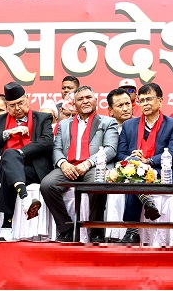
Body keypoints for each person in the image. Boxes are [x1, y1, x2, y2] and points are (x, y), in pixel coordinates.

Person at [41, 86, 118, 242]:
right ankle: (66, 229)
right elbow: (56, 149)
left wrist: (88, 163)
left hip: (94, 166)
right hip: (69, 166)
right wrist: (63, 164)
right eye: (80, 99)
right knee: (47, 185)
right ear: (74, 104)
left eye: (88, 97)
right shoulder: (64, 124)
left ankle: (96, 231)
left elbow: (110, 149)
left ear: (96, 100)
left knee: (98, 184)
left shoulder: (108, 122)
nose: (85, 101)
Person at [0, 82, 54, 233]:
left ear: (27, 99)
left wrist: (19, 153)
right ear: (7, 105)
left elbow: (47, 142)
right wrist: (8, 133)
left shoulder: (42, 118)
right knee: (9, 163)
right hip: (1, 170)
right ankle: (25, 200)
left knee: (10, 159)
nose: (17, 108)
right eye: (12, 105)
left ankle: (6, 226)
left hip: (32, 169)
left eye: (20, 103)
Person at [116, 83, 173, 243]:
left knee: (135, 172)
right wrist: (134, 158)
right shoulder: (128, 125)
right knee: (134, 167)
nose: (145, 103)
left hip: (161, 171)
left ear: (160, 101)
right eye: (142, 100)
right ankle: (146, 201)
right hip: (133, 168)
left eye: (149, 99)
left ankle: (132, 230)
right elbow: (120, 154)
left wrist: (148, 161)